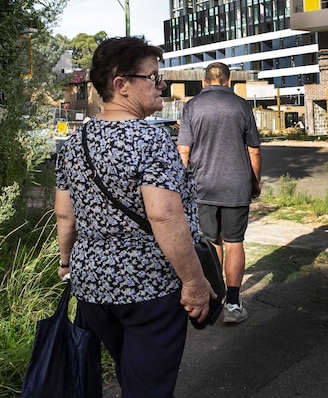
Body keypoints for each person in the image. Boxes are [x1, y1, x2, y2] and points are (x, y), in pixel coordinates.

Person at [54, 36, 214, 398]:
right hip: (150, 287)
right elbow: (164, 217)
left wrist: (66, 262)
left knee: (131, 374)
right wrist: (193, 281)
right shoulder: (151, 139)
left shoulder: (73, 144)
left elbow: (65, 215)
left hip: (92, 286)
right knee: (148, 387)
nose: (162, 86)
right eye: (153, 77)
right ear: (120, 85)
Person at [177, 62, 261, 324]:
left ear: (204, 81)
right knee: (235, 241)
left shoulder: (192, 107)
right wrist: (255, 182)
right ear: (229, 80)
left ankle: (215, 297)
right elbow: (254, 150)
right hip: (236, 186)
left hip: (203, 187)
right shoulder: (241, 106)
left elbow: (183, 152)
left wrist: (181, 187)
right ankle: (234, 305)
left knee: (211, 241)